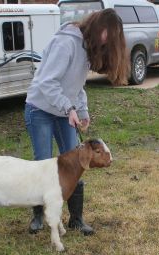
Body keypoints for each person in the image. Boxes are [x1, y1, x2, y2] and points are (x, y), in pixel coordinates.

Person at [24, 8, 129, 236]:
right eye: (108, 35)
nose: (109, 41)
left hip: (64, 111)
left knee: (77, 162)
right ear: (98, 27)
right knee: (43, 165)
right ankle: (38, 216)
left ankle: (76, 219)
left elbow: (77, 85)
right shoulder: (67, 43)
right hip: (40, 109)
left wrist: (82, 110)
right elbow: (47, 82)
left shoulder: (87, 47)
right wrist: (68, 107)